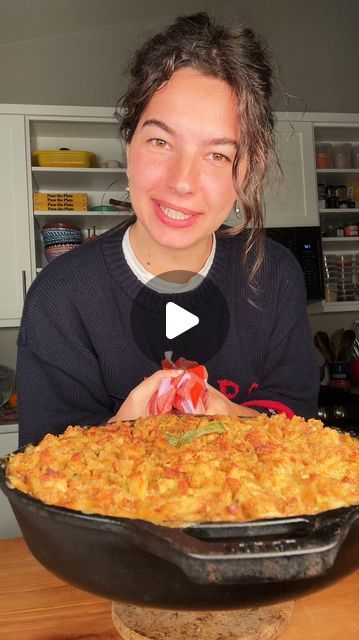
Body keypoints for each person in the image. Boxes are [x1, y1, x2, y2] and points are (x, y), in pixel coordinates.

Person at [17, 12, 319, 447]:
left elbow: (301, 435)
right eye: (160, 141)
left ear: (247, 169)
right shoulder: (61, 297)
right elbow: (41, 478)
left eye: (217, 155)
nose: (181, 182)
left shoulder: (274, 275)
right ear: (129, 142)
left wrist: (231, 417)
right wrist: (123, 434)